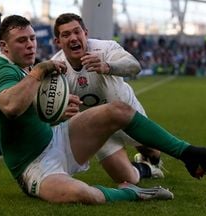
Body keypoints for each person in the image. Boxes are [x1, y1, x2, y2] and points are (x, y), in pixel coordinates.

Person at [0, 15, 206, 204]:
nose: (30, 45)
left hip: (57, 139)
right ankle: (132, 192)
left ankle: (191, 155)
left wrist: (57, 113)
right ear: (4, 47)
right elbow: (10, 106)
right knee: (82, 193)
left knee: (118, 110)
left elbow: (134, 65)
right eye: (22, 41)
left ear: (85, 33)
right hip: (34, 165)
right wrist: (41, 73)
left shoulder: (96, 49)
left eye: (31, 38)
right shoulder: (4, 69)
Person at [51, 13, 164, 185]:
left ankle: (151, 159)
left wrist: (107, 66)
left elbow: (134, 66)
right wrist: (62, 112)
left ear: (85, 33)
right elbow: (50, 112)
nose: (73, 38)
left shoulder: (105, 48)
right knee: (128, 180)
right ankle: (146, 169)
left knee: (153, 152)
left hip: (127, 113)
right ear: (57, 41)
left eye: (77, 32)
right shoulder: (56, 67)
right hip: (99, 128)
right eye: (66, 35)